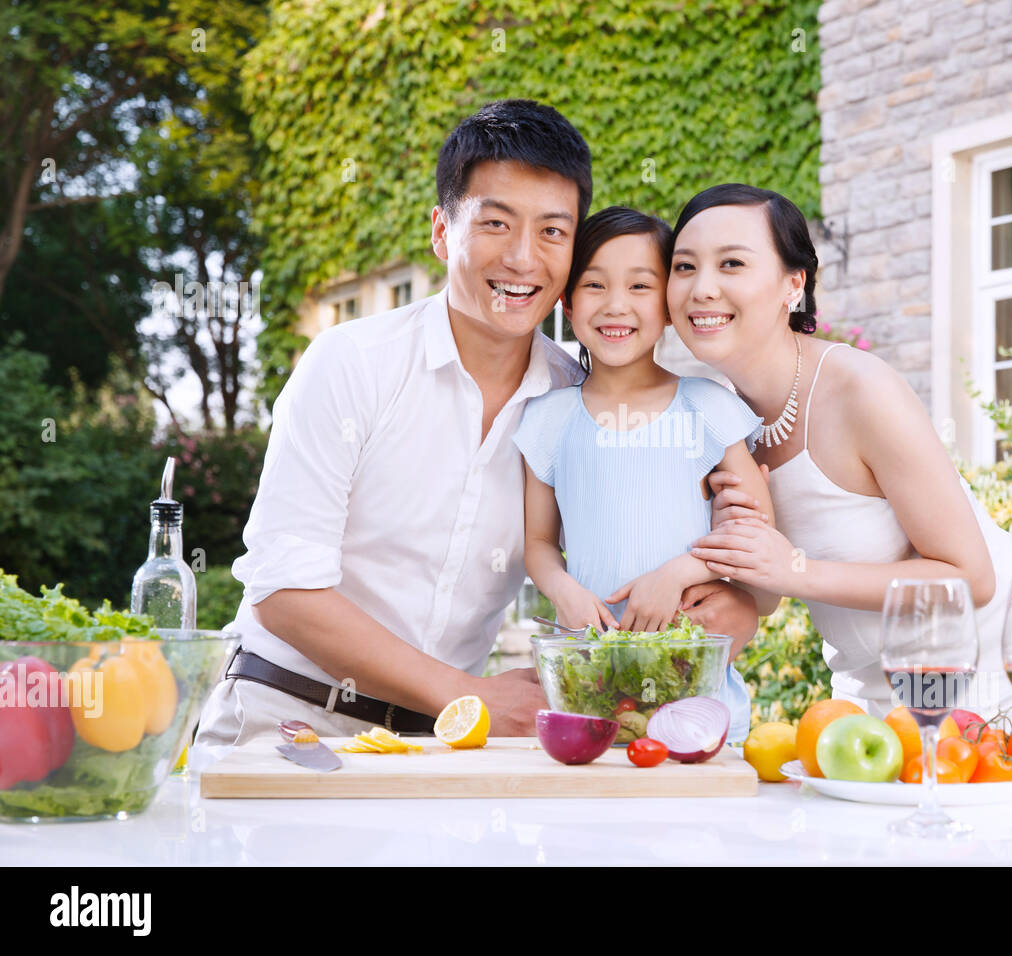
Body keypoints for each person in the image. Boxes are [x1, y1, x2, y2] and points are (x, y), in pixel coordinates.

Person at [193, 102, 759, 749]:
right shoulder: (352, 363)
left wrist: (732, 601)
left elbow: (688, 533)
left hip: (448, 744)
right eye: (496, 223)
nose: (523, 258)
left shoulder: (579, 400)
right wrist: (472, 695)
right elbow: (285, 591)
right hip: (288, 717)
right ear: (441, 231)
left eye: (552, 231)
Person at [673, 183, 1012, 718]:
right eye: (684, 267)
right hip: (871, 683)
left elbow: (973, 577)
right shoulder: (721, 419)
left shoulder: (859, 389)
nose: (702, 289)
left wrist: (794, 569)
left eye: (732, 263)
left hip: (988, 668)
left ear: (792, 285)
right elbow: (768, 591)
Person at [512, 206, 775, 742]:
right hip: (593, 681)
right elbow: (538, 541)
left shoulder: (707, 407)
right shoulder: (546, 418)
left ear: (669, 305)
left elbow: (757, 530)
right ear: (566, 301)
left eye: (639, 286)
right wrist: (562, 589)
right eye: (594, 285)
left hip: (695, 678)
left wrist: (677, 573)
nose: (616, 305)